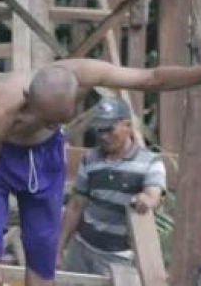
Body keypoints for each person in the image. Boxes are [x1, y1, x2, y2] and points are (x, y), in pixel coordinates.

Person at [0, 55, 201, 286]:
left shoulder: (83, 74)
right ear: (28, 101)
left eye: (60, 122)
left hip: (46, 154)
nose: (54, 126)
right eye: (48, 121)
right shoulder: (0, 112)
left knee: (43, 251)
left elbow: (151, 78)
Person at [56, 96, 165, 277]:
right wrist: (59, 249)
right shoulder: (90, 159)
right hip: (82, 249)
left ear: (128, 126)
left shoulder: (150, 162)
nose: (103, 136)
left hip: (120, 258)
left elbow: (154, 194)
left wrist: (147, 199)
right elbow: (76, 206)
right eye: (99, 130)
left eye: (109, 129)